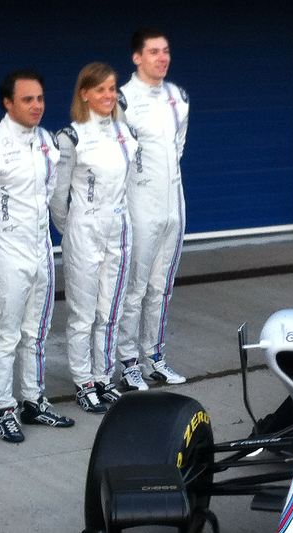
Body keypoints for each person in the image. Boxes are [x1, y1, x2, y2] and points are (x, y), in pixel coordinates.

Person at [0, 69, 74, 443]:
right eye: (27, 99)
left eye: (40, 98)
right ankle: (3, 407)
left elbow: (50, 193)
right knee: (5, 335)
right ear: (8, 103)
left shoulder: (47, 142)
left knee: (37, 333)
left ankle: (33, 399)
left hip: (41, 250)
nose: (37, 106)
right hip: (7, 255)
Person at [51, 62, 138, 413]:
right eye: (100, 89)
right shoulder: (70, 136)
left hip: (118, 228)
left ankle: (103, 376)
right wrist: (71, 227)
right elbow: (58, 196)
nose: (108, 95)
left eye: (112, 88)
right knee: (83, 312)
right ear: (84, 93)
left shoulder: (123, 132)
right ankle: (83, 381)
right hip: (84, 229)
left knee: (110, 309)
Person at [116, 28, 189, 390]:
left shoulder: (178, 97)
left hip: (174, 202)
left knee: (162, 286)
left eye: (166, 51)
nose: (162, 58)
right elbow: (117, 156)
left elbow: (178, 146)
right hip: (140, 204)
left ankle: (155, 357)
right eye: (154, 52)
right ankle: (128, 361)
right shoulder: (122, 99)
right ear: (137, 58)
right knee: (135, 286)